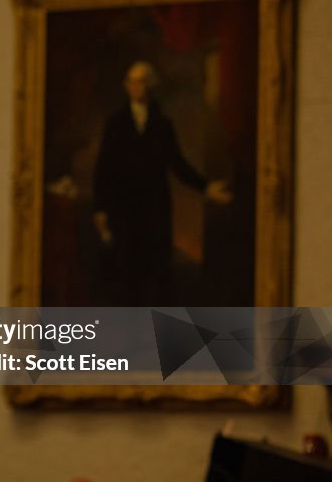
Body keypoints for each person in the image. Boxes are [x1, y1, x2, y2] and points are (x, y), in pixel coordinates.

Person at [93, 61, 232, 305]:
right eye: (133, 81)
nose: (138, 87)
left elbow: (177, 163)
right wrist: (100, 209)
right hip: (124, 211)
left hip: (154, 209)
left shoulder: (162, 124)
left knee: (157, 274)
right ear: (127, 86)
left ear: (152, 85)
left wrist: (206, 187)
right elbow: (103, 169)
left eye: (143, 81)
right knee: (127, 275)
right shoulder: (115, 124)